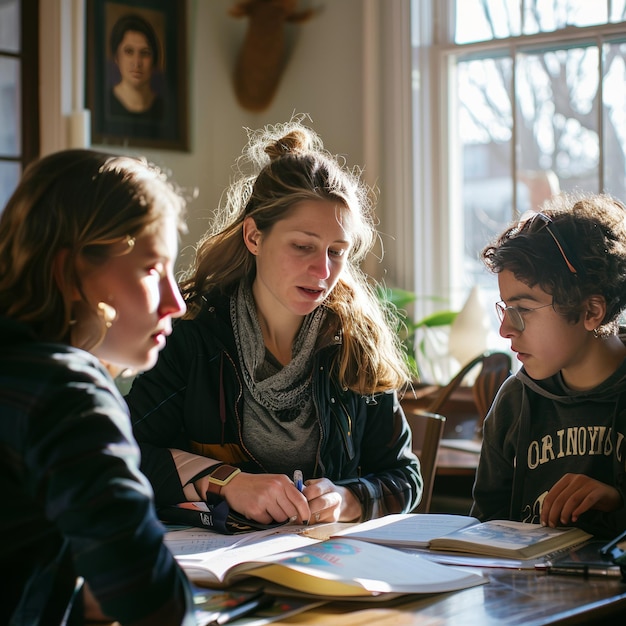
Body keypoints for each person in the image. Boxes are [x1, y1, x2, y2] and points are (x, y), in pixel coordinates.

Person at [126, 118, 422, 527]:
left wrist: (347, 499)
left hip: (330, 567)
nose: (322, 270)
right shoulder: (193, 337)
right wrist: (226, 481)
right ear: (253, 237)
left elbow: (404, 477)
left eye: (337, 251)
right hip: (216, 567)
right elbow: (127, 454)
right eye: (302, 246)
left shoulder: (355, 342)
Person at [0, 149, 196, 625]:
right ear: (69, 273)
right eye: (152, 269)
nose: (177, 304)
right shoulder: (67, 391)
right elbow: (159, 608)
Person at [471, 192, 626, 539]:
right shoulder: (514, 401)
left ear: (591, 312)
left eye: (523, 310)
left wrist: (616, 501)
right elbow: (486, 526)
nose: (505, 328)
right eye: (505, 309)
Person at [107, 13, 165, 138]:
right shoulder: (105, 104)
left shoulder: (165, 109)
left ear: (154, 60)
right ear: (117, 57)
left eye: (144, 53)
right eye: (129, 51)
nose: (137, 62)